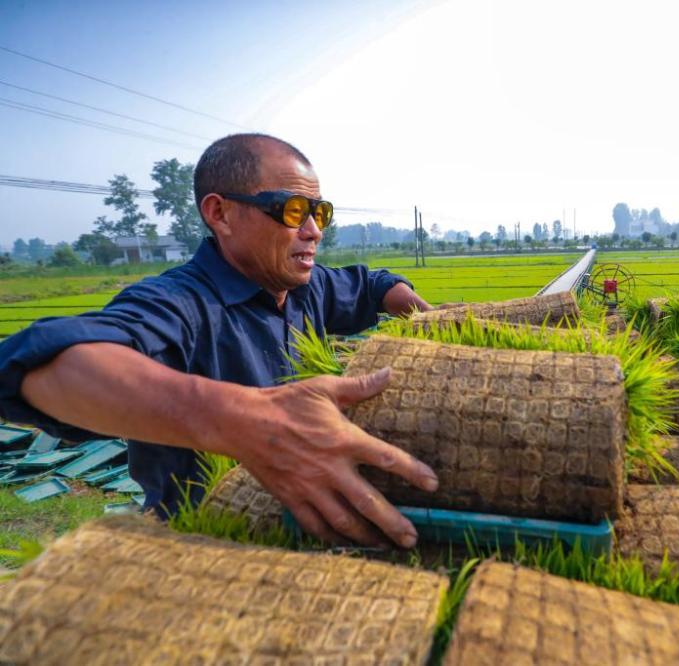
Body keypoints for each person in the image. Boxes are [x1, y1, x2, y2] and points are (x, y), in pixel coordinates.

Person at [0, 133, 438, 549]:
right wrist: (251, 421)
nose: (313, 230)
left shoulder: (306, 286)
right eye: (292, 210)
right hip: (205, 541)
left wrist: (424, 311)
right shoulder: (178, 303)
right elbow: (44, 365)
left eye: (319, 213)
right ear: (220, 213)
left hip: (303, 528)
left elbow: (370, 284)